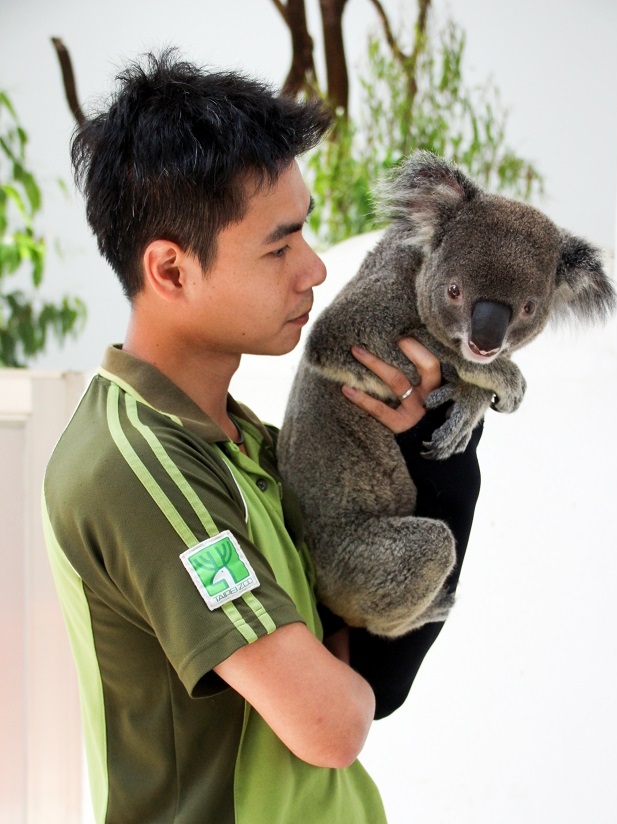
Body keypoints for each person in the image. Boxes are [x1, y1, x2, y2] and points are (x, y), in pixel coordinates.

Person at [42, 51, 481, 824]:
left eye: (305, 233)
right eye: (279, 247)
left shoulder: (242, 444)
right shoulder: (141, 467)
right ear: (172, 272)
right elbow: (335, 724)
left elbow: (369, 678)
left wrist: (445, 474)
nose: (313, 268)